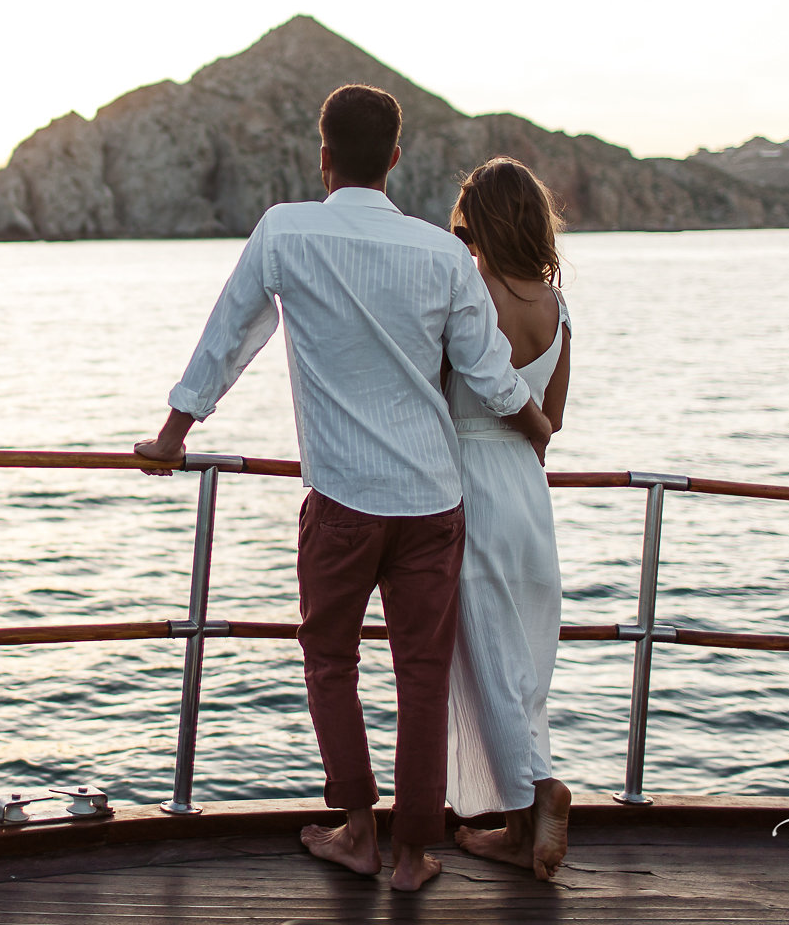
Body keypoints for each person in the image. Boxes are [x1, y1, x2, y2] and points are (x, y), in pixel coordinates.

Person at [134, 85, 553, 891]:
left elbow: (228, 337)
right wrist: (536, 428)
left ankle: (358, 831)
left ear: (322, 155)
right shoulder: (442, 253)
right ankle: (413, 854)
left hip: (343, 503)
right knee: (422, 675)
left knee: (330, 661)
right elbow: (488, 374)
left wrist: (172, 440)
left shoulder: (286, 230)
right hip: (434, 502)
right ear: (396, 158)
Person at [440, 157, 574, 880]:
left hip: (468, 482)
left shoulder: (470, 294)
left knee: (487, 658)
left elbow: (437, 392)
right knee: (523, 661)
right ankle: (522, 829)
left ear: (480, 222)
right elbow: (550, 419)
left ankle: (538, 791)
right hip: (528, 489)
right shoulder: (555, 307)